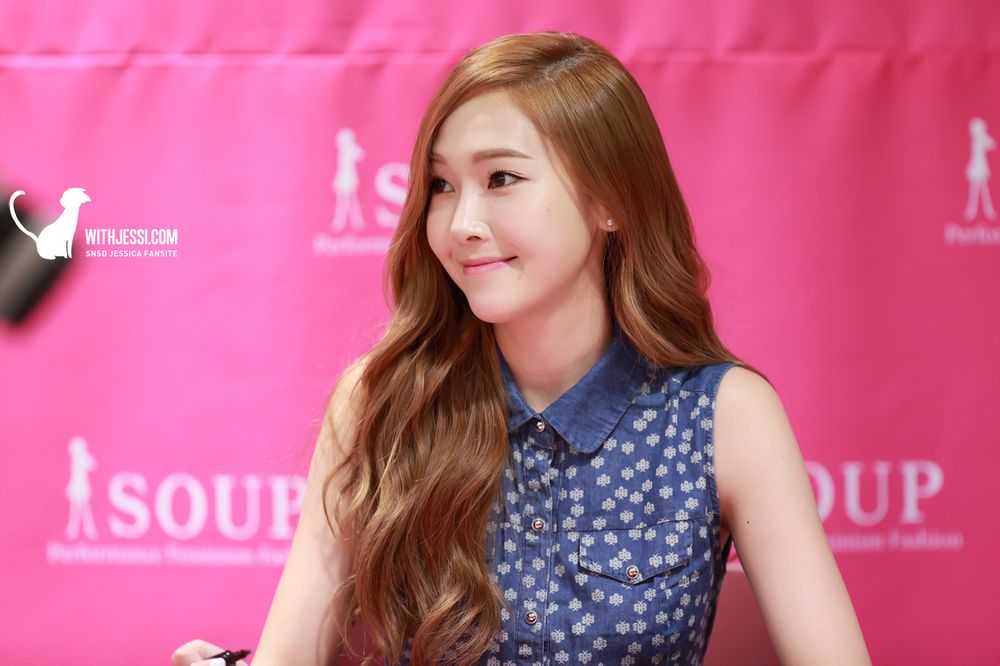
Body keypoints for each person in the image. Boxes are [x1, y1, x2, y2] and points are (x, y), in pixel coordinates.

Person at [173, 31, 872, 666]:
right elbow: (289, 653)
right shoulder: (379, 403)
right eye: (442, 186)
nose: (462, 223)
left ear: (609, 200)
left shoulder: (722, 415)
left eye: (500, 179)